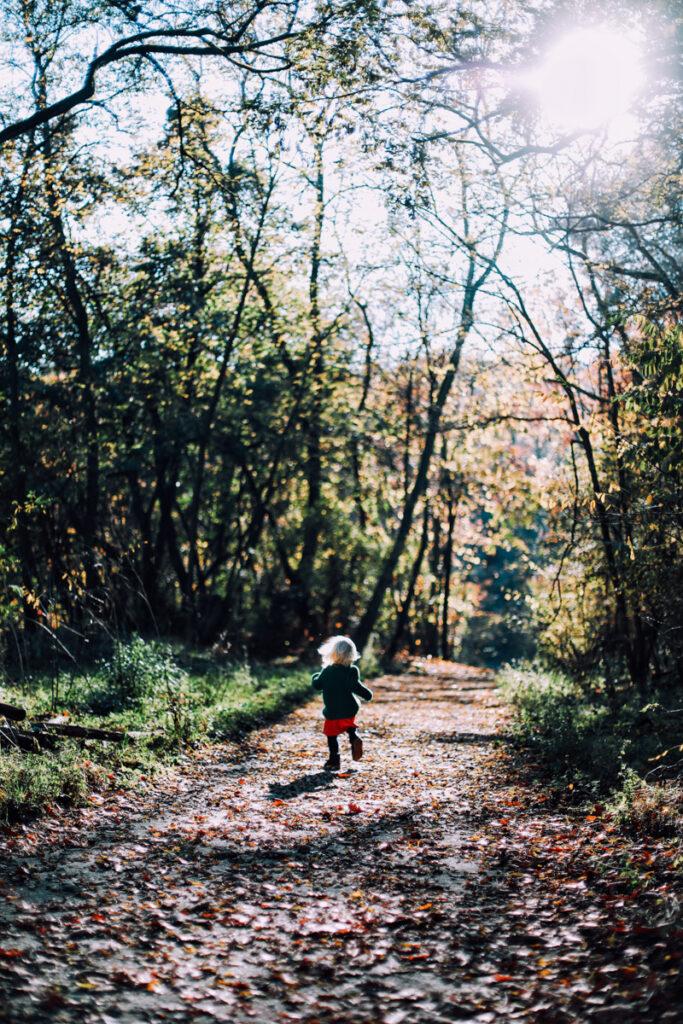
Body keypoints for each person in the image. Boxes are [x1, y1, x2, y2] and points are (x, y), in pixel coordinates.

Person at [312, 635, 373, 772]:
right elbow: (356, 686)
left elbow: (317, 685)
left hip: (333, 711)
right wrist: (367, 694)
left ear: (332, 653)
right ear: (352, 654)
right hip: (349, 708)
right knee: (347, 724)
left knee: (331, 735)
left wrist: (315, 677)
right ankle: (353, 736)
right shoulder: (352, 670)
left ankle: (334, 760)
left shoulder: (327, 670)